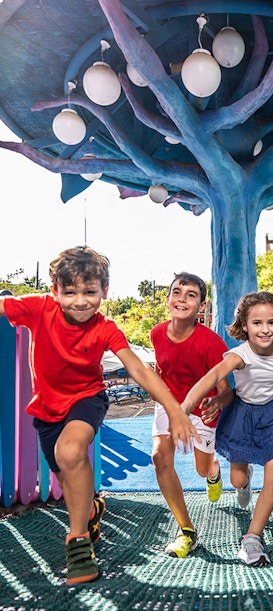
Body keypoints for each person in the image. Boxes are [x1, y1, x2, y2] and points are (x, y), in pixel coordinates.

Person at [0, 247, 198, 586]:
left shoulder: (105, 328)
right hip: (47, 407)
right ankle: (91, 510)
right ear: (55, 291)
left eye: (90, 292)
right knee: (66, 478)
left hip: (87, 399)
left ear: (104, 292)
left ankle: (78, 545)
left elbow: (137, 367)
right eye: (70, 292)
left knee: (71, 450)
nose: (80, 301)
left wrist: (174, 409)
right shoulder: (38, 308)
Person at [181, 291, 273, 567]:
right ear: (244, 325)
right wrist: (183, 409)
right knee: (238, 481)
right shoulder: (238, 355)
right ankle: (246, 476)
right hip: (243, 414)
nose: (265, 329)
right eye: (257, 323)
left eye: (271, 322)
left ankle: (252, 538)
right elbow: (213, 376)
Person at [150, 272, 234, 559]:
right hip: (169, 403)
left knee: (201, 469)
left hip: (202, 412)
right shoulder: (157, 333)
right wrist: (157, 388)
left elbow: (227, 391)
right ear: (168, 298)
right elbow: (163, 370)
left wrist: (219, 401)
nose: (182, 299)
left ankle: (214, 472)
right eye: (177, 292)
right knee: (160, 456)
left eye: (191, 295)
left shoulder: (212, 343)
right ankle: (187, 530)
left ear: (202, 305)